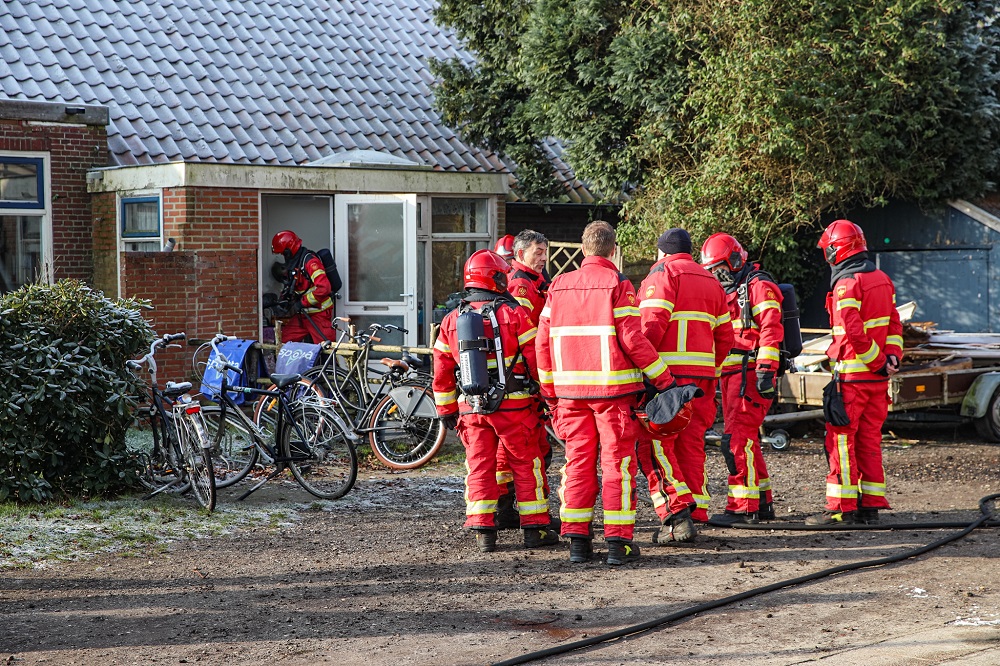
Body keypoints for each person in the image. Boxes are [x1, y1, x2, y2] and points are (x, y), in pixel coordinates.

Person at [536, 221, 675, 565]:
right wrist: (664, 379)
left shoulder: (558, 285)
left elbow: (542, 344)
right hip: (614, 396)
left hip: (569, 396)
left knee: (577, 464)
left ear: (583, 249)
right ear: (613, 250)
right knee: (617, 466)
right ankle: (618, 544)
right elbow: (632, 338)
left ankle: (578, 543)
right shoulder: (617, 283)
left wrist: (550, 394)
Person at [432, 249, 560, 552]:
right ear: (495, 278)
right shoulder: (513, 314)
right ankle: (535, 529)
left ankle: (483, 531)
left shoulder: (452, 319)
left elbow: (441, 370)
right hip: (515, 407)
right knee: (526, 465)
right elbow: (535, 359)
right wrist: (547, 395)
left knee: (479, 466)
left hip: (471, 409)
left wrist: (446, 409)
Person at [637, 228, 734, 538]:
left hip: (667, 377)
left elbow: (651, 326)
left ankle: (677, 513)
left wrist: (645, 369)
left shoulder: (664, 273)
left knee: (657, 444)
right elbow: (726, 336)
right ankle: (698, 510)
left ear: (662, 251)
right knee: (692, 444)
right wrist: (712, 369)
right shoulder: (711, 280)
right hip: (703, 379)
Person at [807, 220, 903, 525]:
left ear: (838, 250)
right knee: (869, 440)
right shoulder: (882, 279)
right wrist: (891, 357)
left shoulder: (846, 284)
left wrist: (876, 361)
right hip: (877, 381)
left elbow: (854, 331)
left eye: (828, 251)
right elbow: (894, 323)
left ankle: (841, 508)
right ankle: (870, 506)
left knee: (841, 441)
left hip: (852, 380)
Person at [701, 232, 782, 525]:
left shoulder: (758, 286)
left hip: (751, 375)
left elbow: (771, 328)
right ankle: (762, 502)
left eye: (718, 269)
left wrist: (766, 370)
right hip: (732, 376)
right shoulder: (728, 293)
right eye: (711, 271)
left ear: (734, 261)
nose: (716, 275)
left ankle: (742, 508)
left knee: (735, 440)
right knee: (747, 441)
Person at [494, 230, 552, 529]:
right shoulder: (520, 285)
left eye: (545, 252)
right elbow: (523, 337)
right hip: (522, 378)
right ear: (520, 254)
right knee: (521, 449)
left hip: (527, 377)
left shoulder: (535, 282)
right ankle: (506, 509)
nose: (543, 257)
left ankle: (507, 509)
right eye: (537, 252)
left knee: (531, 448)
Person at [270, 230, 336, 343]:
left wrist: (302, 303)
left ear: (289, 249)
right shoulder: (295, 263)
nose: (283, 256)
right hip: (303, 316)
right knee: (282, 342)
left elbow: (324, 288)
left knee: (327, 348)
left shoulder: (310, 262)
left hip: (319, 314)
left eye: (283, 253)